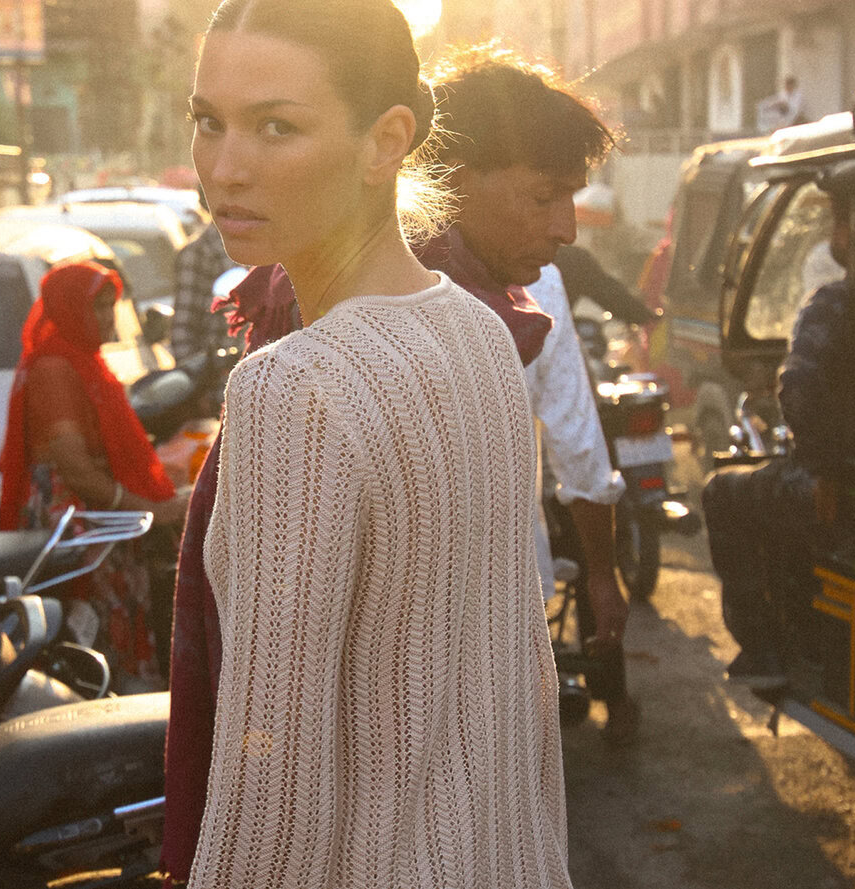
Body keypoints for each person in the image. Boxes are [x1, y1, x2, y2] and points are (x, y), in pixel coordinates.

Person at [171, 1, 574, 886]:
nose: (225, 168)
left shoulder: (293, 386)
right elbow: (523, 690)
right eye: (208, 121)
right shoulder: (481, 333)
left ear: (386, 140)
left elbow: (270, 793)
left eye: (276, 126)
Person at [418, 47, 636, 742]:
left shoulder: (533, 290)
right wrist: (598, 575)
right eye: (544, 198)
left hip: (503, 610)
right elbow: (576, 437)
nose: (565, 228)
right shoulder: (359, 301)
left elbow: (577, 434)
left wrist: (601, 573)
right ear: (454, 182)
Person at [0, 260, 189, 686]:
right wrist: (154, 510)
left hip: (101, 512)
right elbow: (78, 472)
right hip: (78, 520)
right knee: (96, 632)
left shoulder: (86, 361)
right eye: (97, 308)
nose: (108, 318)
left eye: (109, 306)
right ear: (70, 310)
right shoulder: (55, 368)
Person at [702, 196, 855, 688]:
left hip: (848, 487)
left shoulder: (836, 302)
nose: (833, 234)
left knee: (721, 492)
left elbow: (798, 388)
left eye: (839, 222)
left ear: (853, 231)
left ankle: (763, 648)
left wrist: (824, 470)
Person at [170, 196, 243, 362]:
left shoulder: (263, 246)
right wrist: (197, 371)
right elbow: (183, 327)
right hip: (219, 367)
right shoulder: (200, 251)